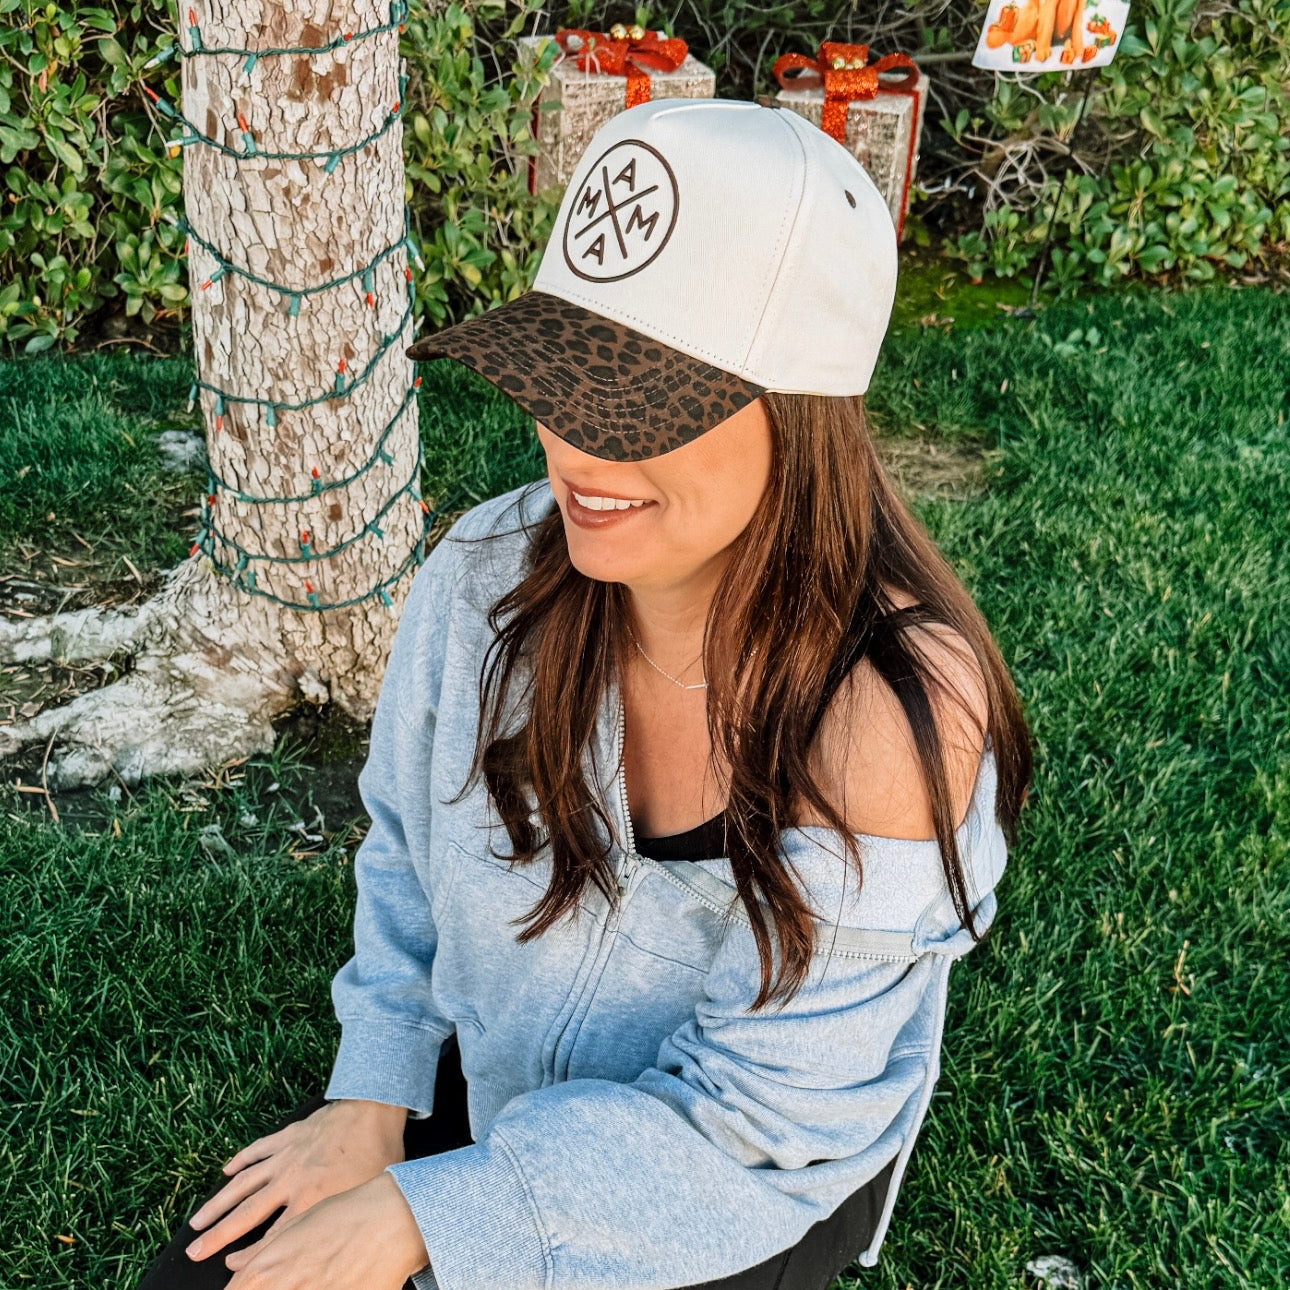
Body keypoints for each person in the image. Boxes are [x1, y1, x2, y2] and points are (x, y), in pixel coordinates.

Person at [133, 97, 1032, 1290]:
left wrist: (428, 1218)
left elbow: (760, 1124)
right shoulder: (483, 579)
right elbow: (405, 848)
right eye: (562, 372)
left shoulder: (885, 710)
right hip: (499, 1073)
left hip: (722, 1178)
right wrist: (375, 1086)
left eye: (644, 402)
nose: (576, 448)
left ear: (806, 412)